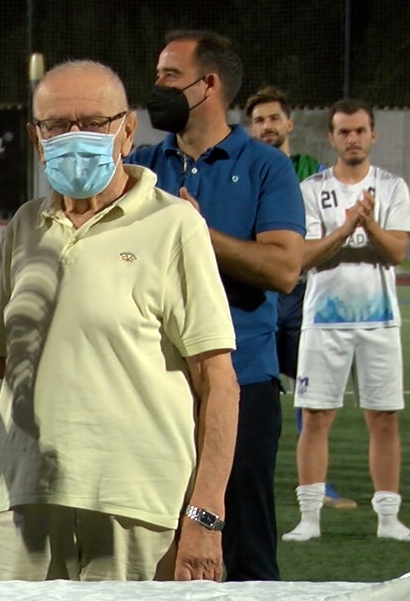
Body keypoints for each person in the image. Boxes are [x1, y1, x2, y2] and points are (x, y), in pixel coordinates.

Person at [0, 59, 239, 582]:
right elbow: (1, 354)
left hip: (139, 506)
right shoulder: (25, 227)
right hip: (25, 499)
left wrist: (205, 515)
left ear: (126, 130)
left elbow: (218, 381)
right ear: (36, 139)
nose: (75, 136)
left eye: (94, 122)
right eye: (56, 125)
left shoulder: (174, 224)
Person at [126, 30, 304, 581]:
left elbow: (283, 268)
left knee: (245, 543)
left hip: (244, 378)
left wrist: (198, 233)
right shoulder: (140, 164)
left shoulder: (265, 167)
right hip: (152, 381)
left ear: (209, 85)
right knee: (150, 540)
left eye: (169, 77)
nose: (157, 88)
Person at [280, 98, 410, 543]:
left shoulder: (393, 187)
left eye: (360, 130)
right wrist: (344, 230)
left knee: (383, 420)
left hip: (380, 322)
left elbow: (397, 251)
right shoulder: (311, 190)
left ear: (373, 134)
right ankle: (309, 518)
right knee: (316, 416)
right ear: (331, 137)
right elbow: (302, 256)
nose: (353, 138)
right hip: (323, 322)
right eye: (344, 131)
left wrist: (367, 223)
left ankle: (388, 519)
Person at [245, 85, 357, 512]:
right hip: (253, 293)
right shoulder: (242, 168)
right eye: (259, 120)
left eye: (274, 118)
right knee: (248, 386)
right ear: (250, 128)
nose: (267, 126)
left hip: (296, 294)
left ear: (289, 124)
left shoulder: (310, 171)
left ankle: (316, 484)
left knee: (307, 389)